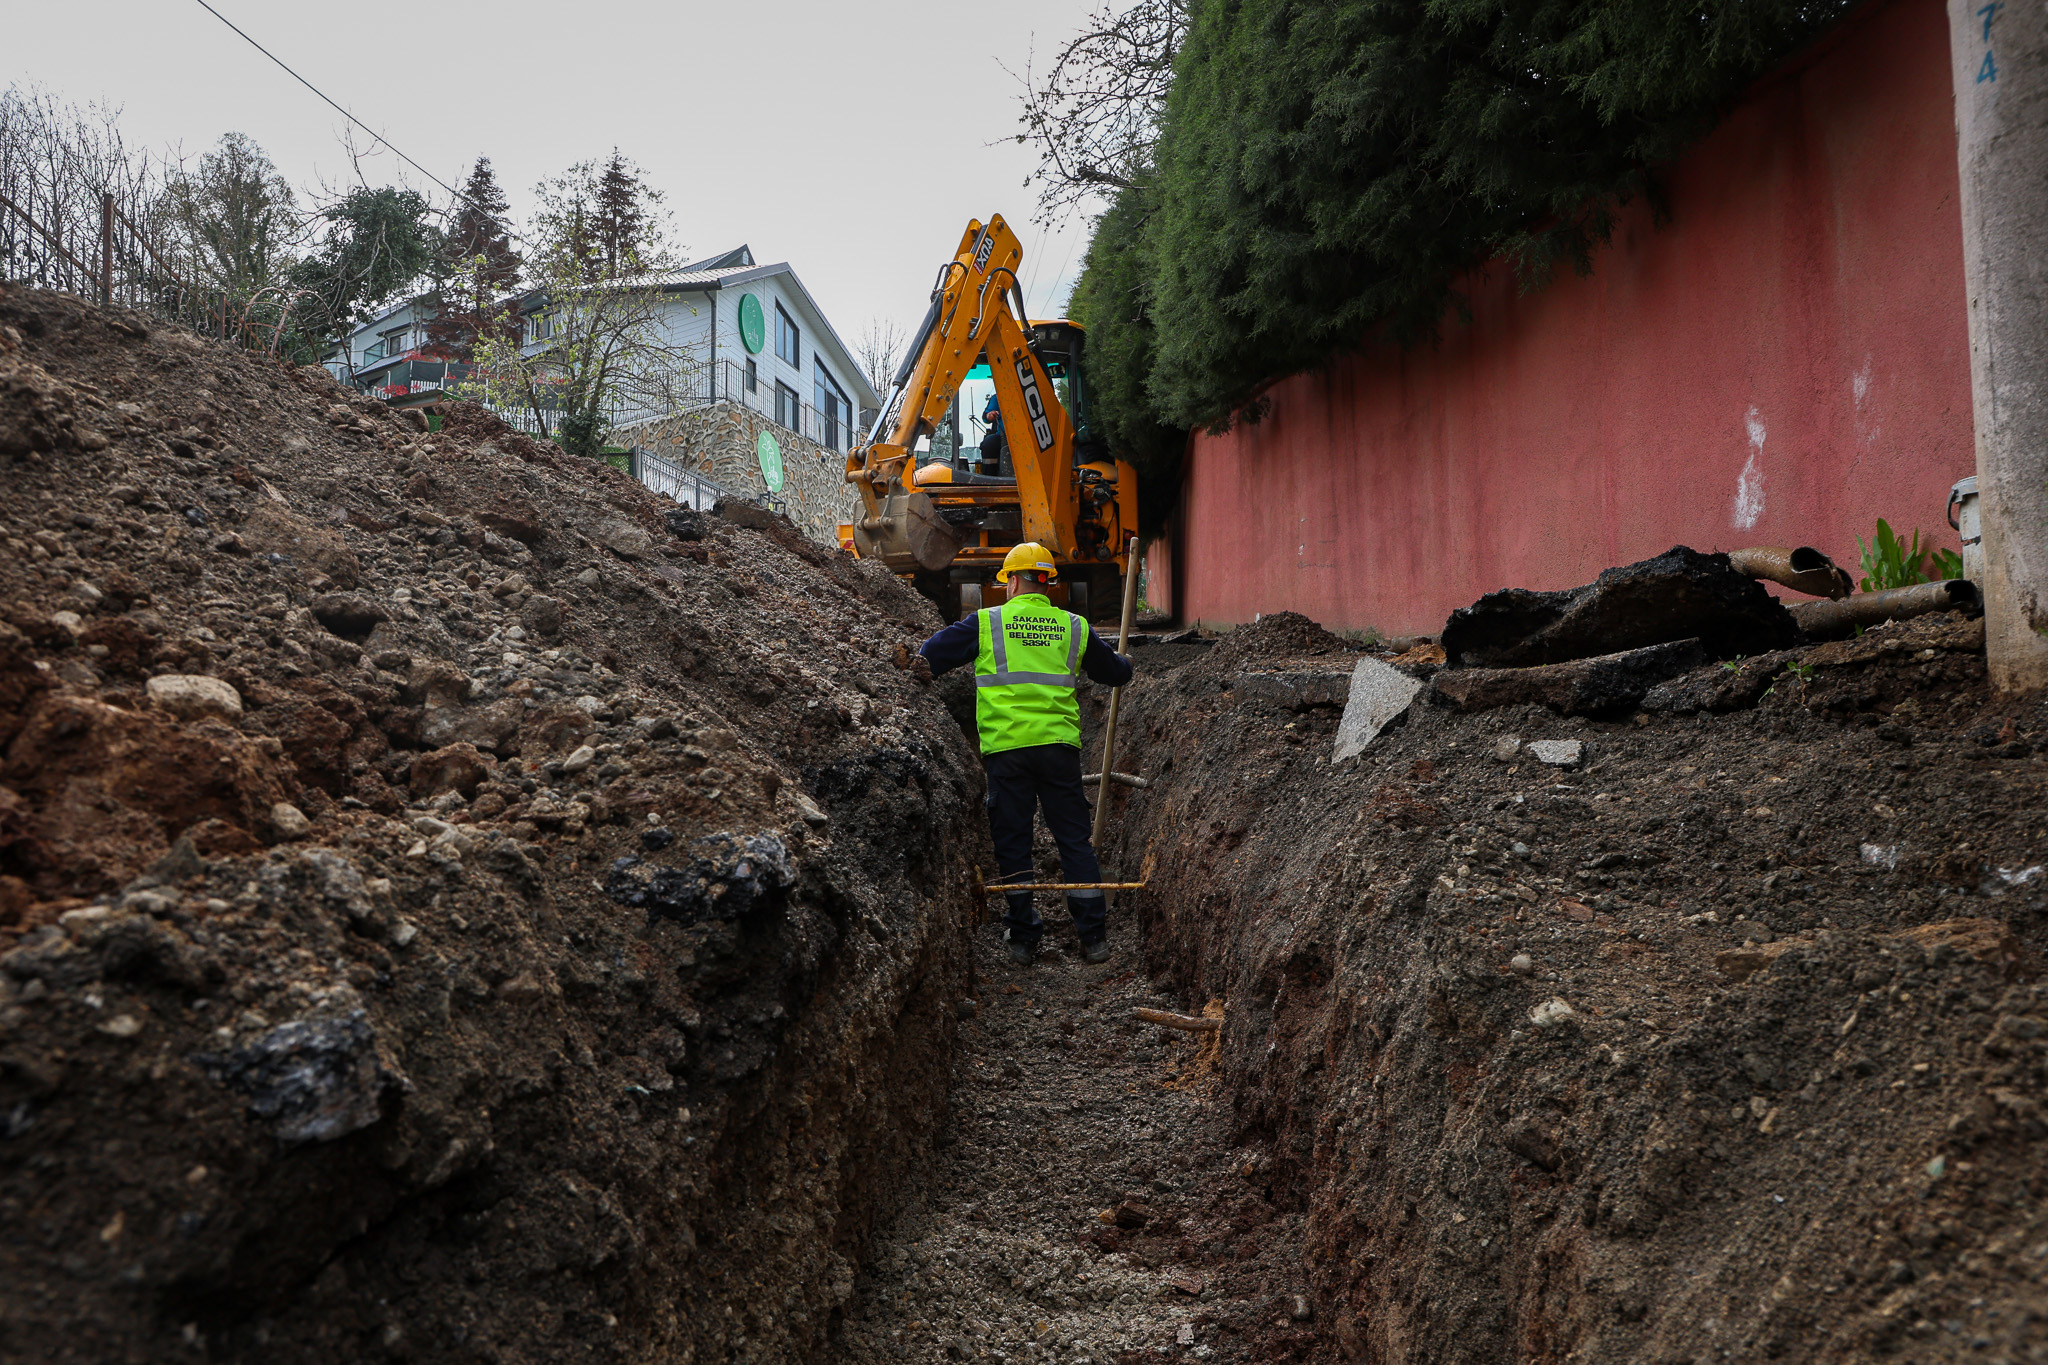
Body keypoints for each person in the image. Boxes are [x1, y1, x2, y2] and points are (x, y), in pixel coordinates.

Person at [917, 542, 1132, 965]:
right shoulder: (1073, 626)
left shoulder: (986, 623)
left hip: (1007, 752)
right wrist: (1125, 662)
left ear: (1011, 580)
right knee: (1073, 839)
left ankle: (1023, 937)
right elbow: (1114, 673)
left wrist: (914, 664)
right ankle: (1093, 937)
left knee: (1013, 842)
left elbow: (930, 657)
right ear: (1048, 583)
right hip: (1059, 751)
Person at [977, 391, 1005, 476]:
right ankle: (989, 476)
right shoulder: (997, 398)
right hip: (1003, 436)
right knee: (989, 443)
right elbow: (985, 418)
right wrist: (989, 415)